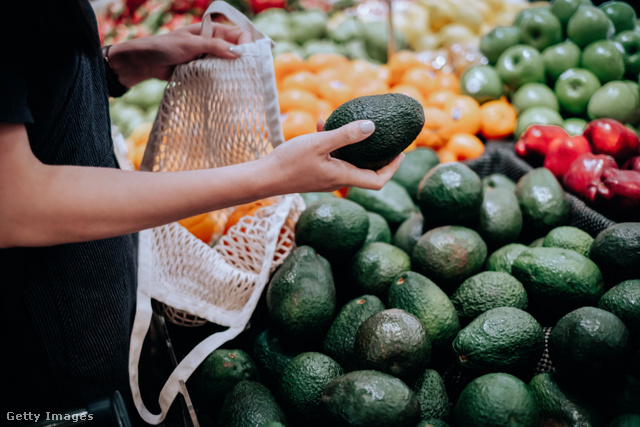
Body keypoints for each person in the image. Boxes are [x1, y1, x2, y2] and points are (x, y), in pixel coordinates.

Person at [0, 0, 403, 422]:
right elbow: (16, 203)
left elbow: (31, 82)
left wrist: (117, 66)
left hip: (87, 301)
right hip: (38, 343)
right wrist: (274, 174)